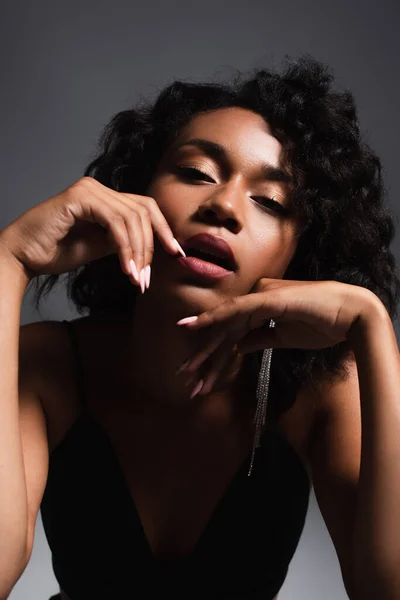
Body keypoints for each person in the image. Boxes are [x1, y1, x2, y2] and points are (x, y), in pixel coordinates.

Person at [1, 54, 399, 600]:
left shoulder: (318, 390)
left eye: (270, 201)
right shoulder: (47, 367)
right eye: (195, 173)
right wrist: (8, 262)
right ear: (133, 197)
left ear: (303, 254)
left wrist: (372, 328)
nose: (224, 205)